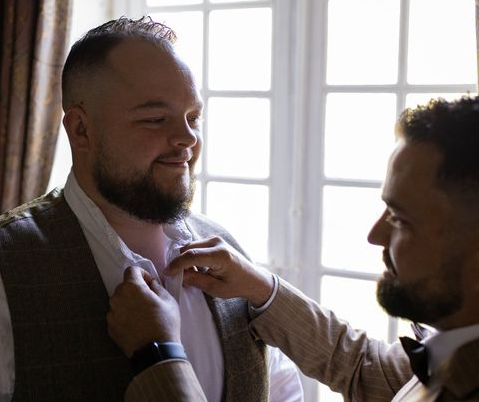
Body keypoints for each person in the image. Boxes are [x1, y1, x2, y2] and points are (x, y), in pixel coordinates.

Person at [0, 16, 303, 401]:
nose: (187, 138)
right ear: (81, 130)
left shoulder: (233, 261)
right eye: (156, 119)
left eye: (193, 117)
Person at [108, 96, 479, 401]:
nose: (375, 235)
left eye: (400, 219)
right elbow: (360, 366)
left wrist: (157, 352)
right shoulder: (456, 354)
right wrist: (262, 288)